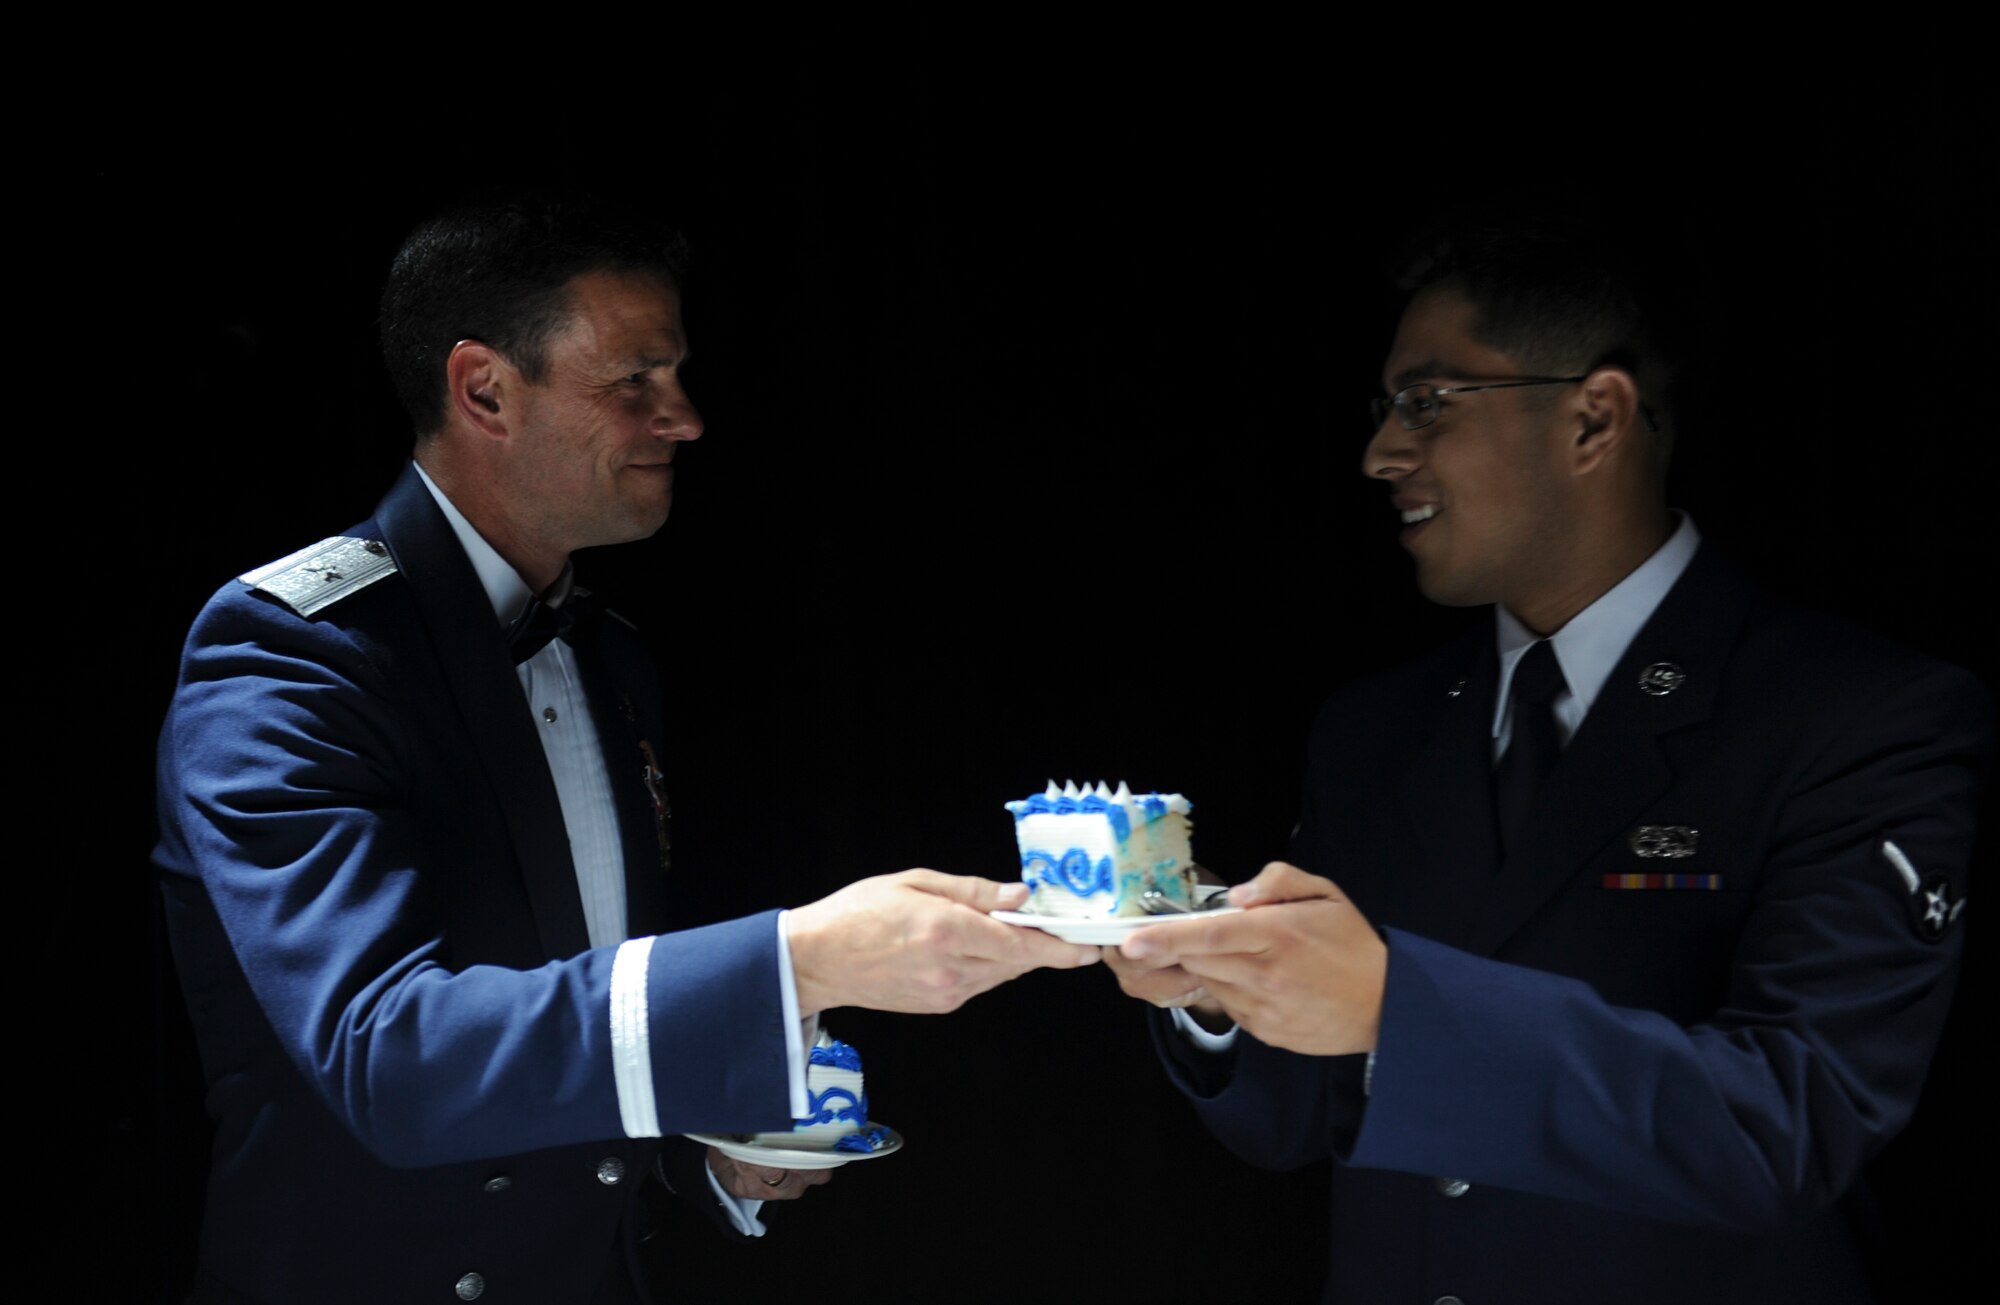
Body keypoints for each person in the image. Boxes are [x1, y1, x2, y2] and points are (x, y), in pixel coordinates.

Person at [153, 191, 1097, 1305]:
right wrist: (801, 959)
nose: (684, 417)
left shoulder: (610, 657)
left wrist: (698, 1152)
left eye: (676, 376)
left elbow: (579, 1021)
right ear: (484, 389)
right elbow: (387, 1059)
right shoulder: (291, 651)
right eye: (633, 382)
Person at [1105, 214, 1988, 1304]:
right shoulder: (1373, 730)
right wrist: (1212, 995)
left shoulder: (1855, 715)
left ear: (1591, 418)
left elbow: (1789, 1124)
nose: (1380, 453)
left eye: (1426, 403)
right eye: (1383, 408)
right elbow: (1295, 1121)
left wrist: (1396, 1009)